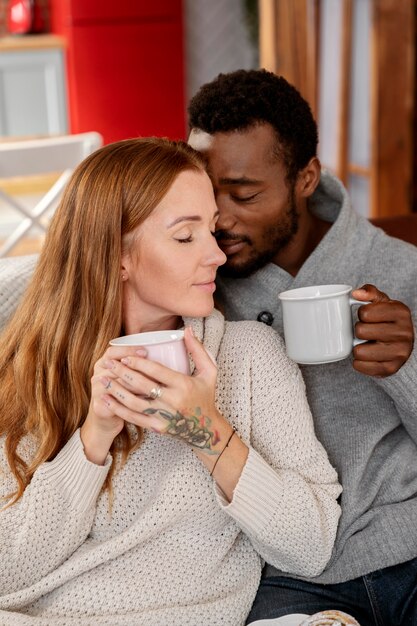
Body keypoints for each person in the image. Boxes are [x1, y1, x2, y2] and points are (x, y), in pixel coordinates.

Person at [0, 138, 341, 626]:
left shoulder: (249, 357)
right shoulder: (28, 368)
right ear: (116, 255)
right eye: (186, 237)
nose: (216, 257)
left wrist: (208, 433)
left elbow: (312, 546)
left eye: (213, 231)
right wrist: (94, 438)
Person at [188, 69, 417, 625]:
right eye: (204, 189)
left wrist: (406, 366)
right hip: (278, 572)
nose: (219, 217)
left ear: (306, 177)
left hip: (406, 547)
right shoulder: (196, 281)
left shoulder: (401, 269)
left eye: (244, 194)